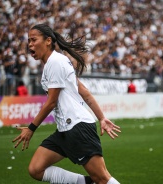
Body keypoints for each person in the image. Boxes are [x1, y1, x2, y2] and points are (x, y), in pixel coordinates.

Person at [12, 23, 121, 184]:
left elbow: (51, 102)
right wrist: (101, 118)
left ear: (48, 41)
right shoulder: (56, 62)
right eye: (28, 41)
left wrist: (31, 128)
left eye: (34, 40)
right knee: (36, 169)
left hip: (77, 127)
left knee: (102, 178)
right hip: (66, 130)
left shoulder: (55, 62)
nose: (30, 44)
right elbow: (84, 91)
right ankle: (86, 182)